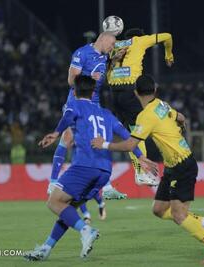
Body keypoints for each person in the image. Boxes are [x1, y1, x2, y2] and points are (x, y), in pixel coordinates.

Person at [92, 75, 204, 264]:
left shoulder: (145, 115)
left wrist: (104, 144)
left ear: (135, 92)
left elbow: (130, 145)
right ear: (154, 90)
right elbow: (180, 116)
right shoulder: (162, 105)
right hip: (173, 165)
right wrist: (180, 123)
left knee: (179, 215)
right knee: (159, 210)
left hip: (182, 165)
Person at [24, 75, 157, 261]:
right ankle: (45, 248)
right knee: (68, 210)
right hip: (104, 171)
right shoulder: (107, 114)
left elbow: (68, 116)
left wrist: (55, 133)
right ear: (94, 92)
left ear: (75, 91)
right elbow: (128, 137)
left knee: (53, 202)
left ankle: (86, 231)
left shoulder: (75, 105)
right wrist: (141, 157)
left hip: (84, 166)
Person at [51, 31, 129, 202]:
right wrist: (88, 78)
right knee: (69, 137)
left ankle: (106, 187)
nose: (112, 48)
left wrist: (114, 60)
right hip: (77, 101)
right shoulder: (82, 53)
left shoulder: (104, 57)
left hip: (94, 104)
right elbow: (71, 81)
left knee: (97, 141)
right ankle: (53, 182)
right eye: (111, 44)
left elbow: (103, 70)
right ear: (103, 39)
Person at [107, 28, 174, 187]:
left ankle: (139, 171)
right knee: (138, 133)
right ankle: (142, 172)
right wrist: (168, 55)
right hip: (130, 91)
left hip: (114, 94)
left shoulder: (115, 44)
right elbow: (167, 36)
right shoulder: (140, 40)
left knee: (131, 134)